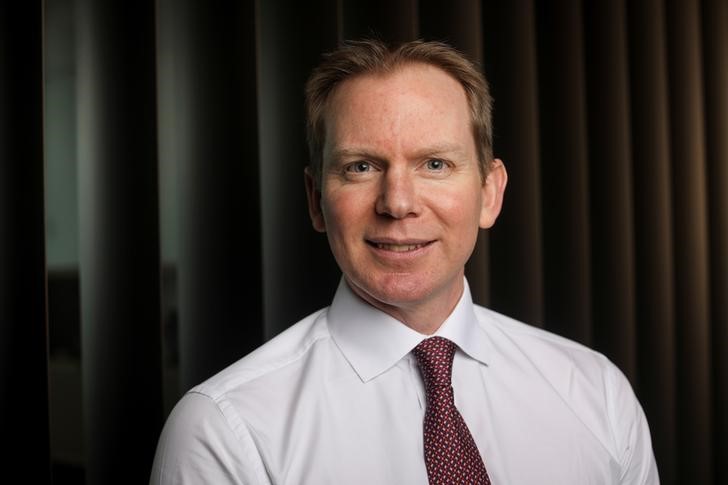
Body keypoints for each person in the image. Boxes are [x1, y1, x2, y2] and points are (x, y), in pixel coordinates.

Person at [150, 39, 659, 484]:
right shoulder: (225, 431)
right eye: (361, 167)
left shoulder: (597, 394)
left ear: (489, 193)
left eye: (435, 164)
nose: (397, 202)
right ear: (315, 200)